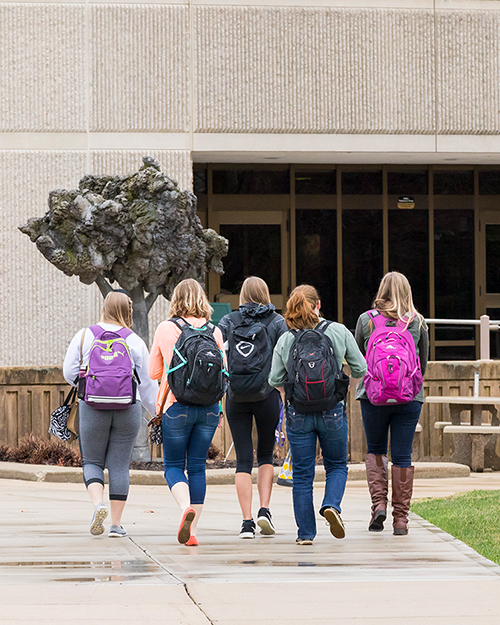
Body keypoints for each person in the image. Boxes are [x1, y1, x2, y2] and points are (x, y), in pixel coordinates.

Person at [269, 285, 366, 545]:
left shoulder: (286, 338)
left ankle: (305, 534)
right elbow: (361, 367)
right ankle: (332, 505)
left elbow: (274, 378)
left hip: (299, 412)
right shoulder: (338, 331)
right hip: (332, 410)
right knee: (336, 466)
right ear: (318, 305)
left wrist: (292, 390)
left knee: (302, 475)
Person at [63, 291, 157, 538]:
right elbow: (147, 382)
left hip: (92, 406)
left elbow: (68, 372)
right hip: (128, 407)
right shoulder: (134, 340)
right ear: (127, 311)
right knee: (119, 465)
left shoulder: (84, 335)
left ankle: (98, 505)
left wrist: (87, 386)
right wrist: (156, 412)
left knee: (92, 461)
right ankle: (116, 524)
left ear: (104, 308)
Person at [149, 278, 226, 546]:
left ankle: (185, 510)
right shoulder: (214, 331)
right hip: (208, 410)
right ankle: (192, 533)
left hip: (176, 406)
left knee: (172, 466)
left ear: (176, 300)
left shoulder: (166, 328)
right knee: (197, 467)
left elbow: (153, 373)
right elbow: (223, 372)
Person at [355, 271, 429, 536]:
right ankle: (401, 520)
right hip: (409, 397)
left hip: (372, 396)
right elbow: (424, 364)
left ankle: (378, 506)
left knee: (375, 448)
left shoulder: (366, 320)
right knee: (402, 455)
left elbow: (360, 361)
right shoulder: (418, 322)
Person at [219, 277, 287, 539]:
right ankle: (264, 510)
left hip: (235, 396)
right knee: (266, 454)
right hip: (267, 394)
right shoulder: (277, 322)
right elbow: (282, 358)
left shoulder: (228, 321)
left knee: (244, 460)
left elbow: (220, 355)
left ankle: (246, 522)